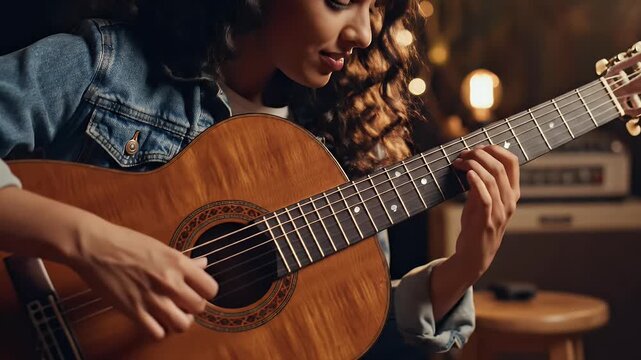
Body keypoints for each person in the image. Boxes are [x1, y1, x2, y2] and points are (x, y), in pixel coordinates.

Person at [0, 0, 520, 356]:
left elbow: (341, 330)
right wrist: (91, 244)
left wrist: (464, 267)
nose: (363, 32)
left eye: (375, 7)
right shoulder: (107, 67)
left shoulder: (340, 149)